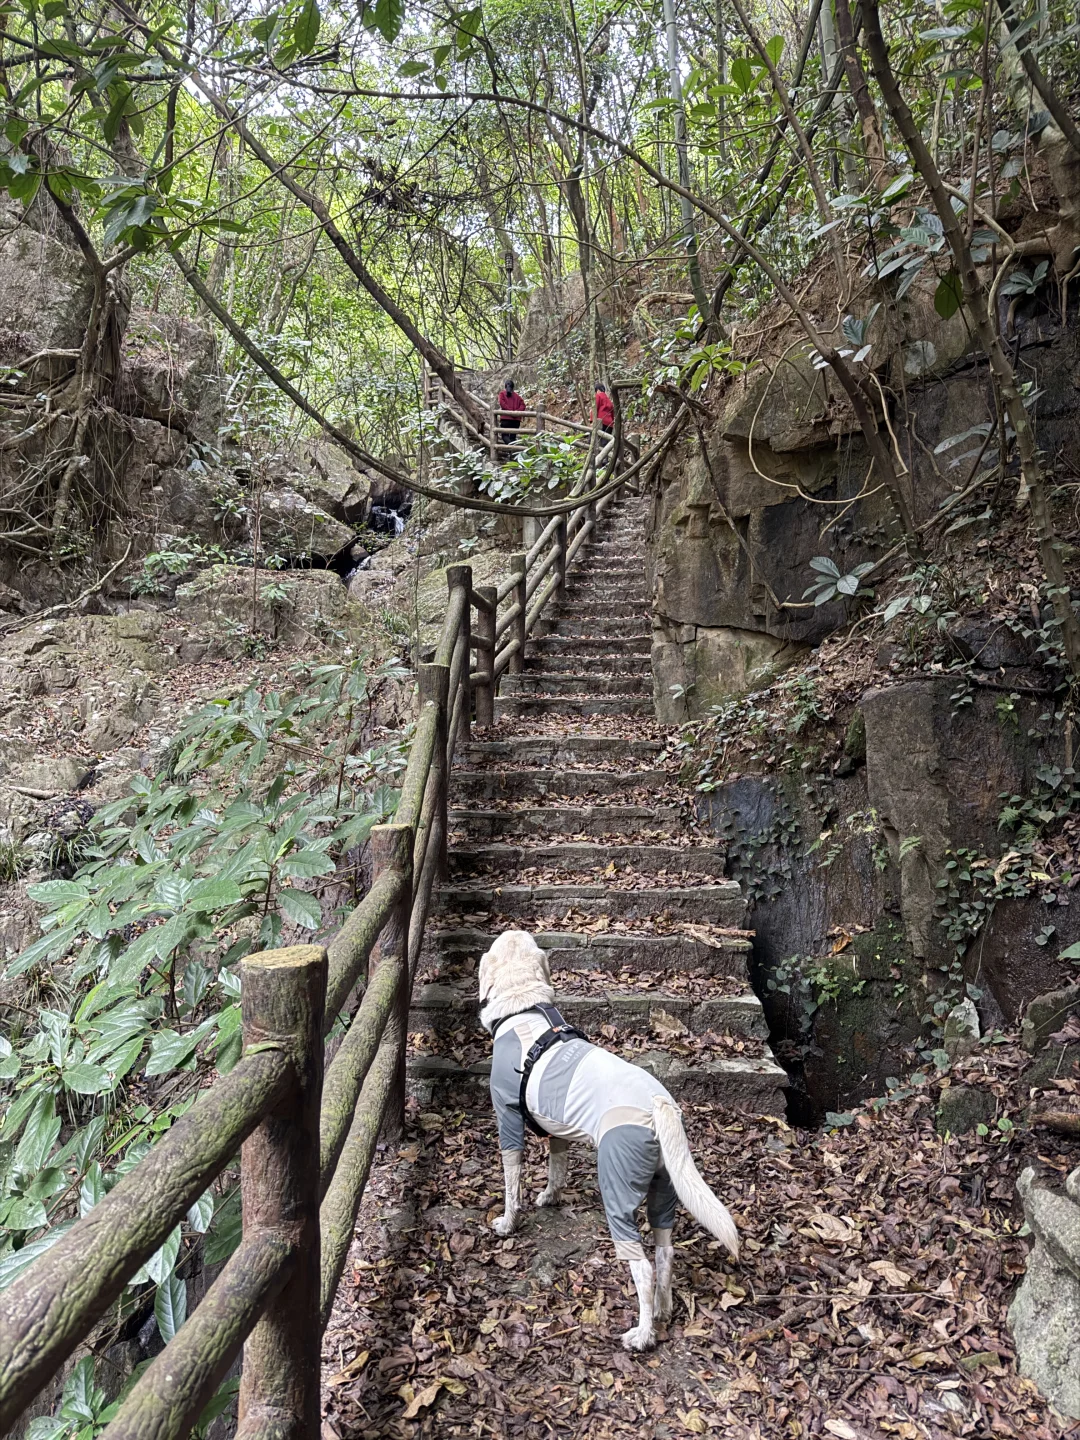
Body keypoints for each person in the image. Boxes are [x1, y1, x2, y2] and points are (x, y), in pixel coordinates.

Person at [497, 377, 526, 449]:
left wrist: (510, 412)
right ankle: (512, 454)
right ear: (513, 387)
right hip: (516, 421)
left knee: (504, 436)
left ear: (505, 386)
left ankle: (512, 448)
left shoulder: (502, 394)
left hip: (506, 420)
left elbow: (502, 404)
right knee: (513, 437)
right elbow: (523, 405)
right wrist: (516, 412)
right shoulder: (517, 397)